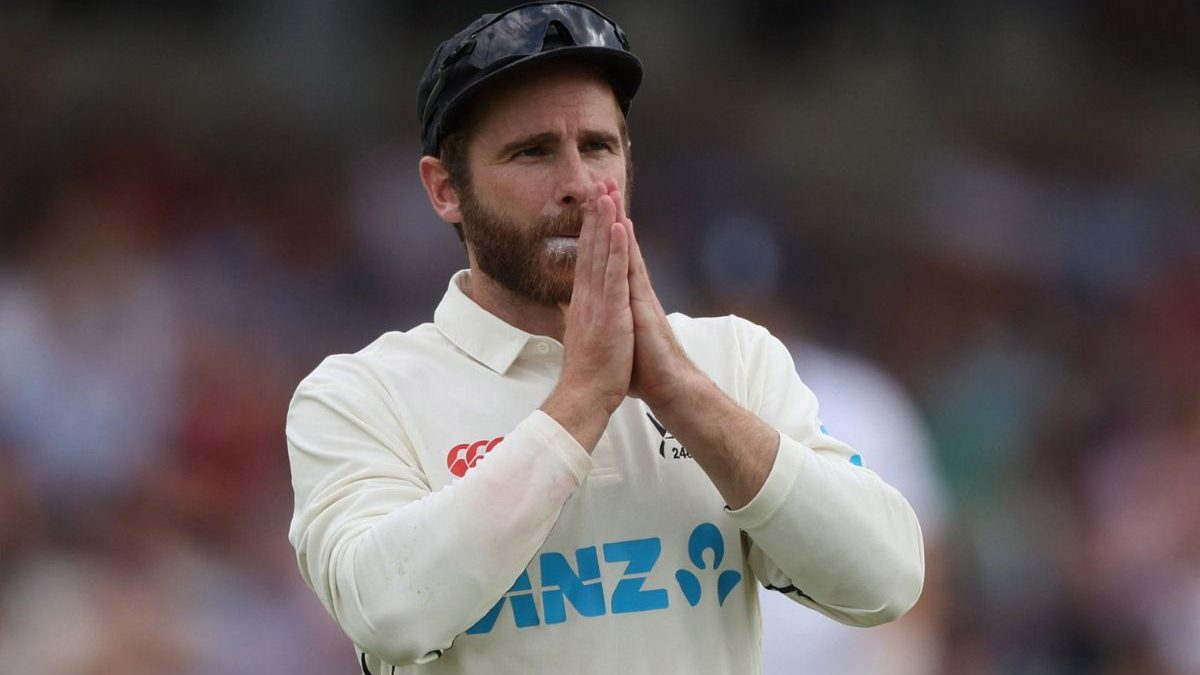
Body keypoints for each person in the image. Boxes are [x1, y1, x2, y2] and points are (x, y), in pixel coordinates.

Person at [285, 3, 925, 673]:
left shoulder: (731, 359)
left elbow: (888, 579)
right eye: (532, 152)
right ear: (446, 189)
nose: (578, 184)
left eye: (596, 146)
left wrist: (682, 393)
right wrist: (584, 396)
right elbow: (391, 613)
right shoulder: (359, 395)